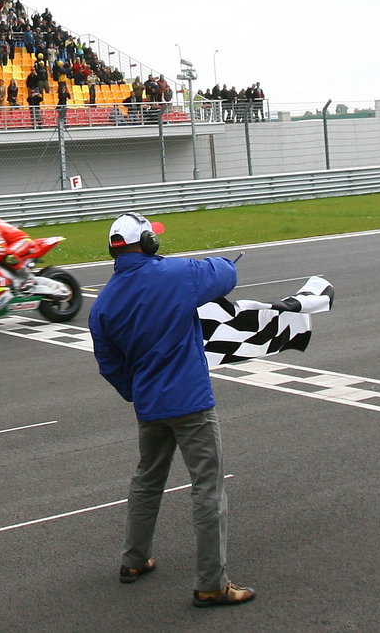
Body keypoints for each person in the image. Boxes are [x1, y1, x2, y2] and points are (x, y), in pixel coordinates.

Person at [88, 213, 255, 608]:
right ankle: (211, 583)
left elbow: (109, 364)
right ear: (148, 242)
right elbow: (223, 276)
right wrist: (227, 263)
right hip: (191, 402)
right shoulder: (177, 274)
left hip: (149, 404)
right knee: (207, 487)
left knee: (147, 480)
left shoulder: (104, 303)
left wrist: (137, 392)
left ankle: (134, 559)